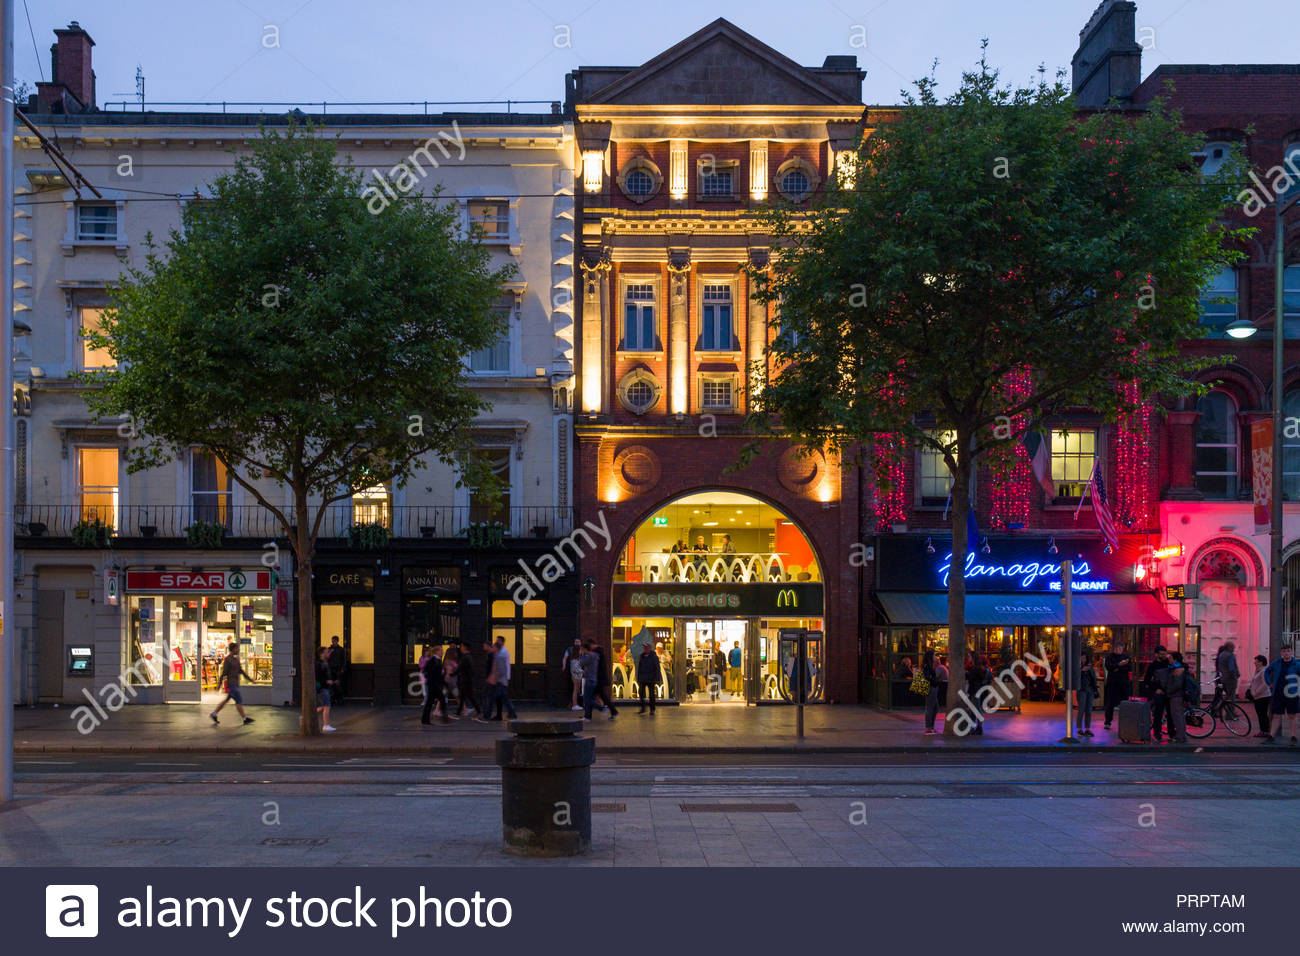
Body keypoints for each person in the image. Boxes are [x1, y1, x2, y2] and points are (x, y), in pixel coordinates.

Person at [1261, 644, 1300, 745]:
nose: (1286, 653)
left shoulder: (1297, 664)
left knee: (1292, 715)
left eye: (1288, 651)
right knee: (1276, 715)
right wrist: (1269, 683)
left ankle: (1293, 736)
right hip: (1278, 693)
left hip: (1292, 693)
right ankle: (1271, 736)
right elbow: (1267, 671)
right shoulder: (1277, 663)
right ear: (1281, 653)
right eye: (1284, 651)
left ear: (1291, 652)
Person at [210, 642, 255, 725]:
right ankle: (244, 718)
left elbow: (241, 671)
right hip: (232, 684)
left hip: (236, 684)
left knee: (227, 700)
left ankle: (214, 713)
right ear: (233, 649)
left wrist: (250, 679)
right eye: (237, 648)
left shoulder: (236, 659)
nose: (238, 650)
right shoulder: (228, 660)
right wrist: (219, 684)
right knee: (238, 701)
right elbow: (224, 673)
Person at [475, 635, 517, 723]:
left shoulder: (501, 655)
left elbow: (501, 670)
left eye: (494, 646)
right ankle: (508, 713)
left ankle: (488, 715)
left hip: (499, 681)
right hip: (500, 681)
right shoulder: (497, 655)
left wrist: (493, 679)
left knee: (493, 698)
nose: (492, 648)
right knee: (502, 698)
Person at [1142, 645, 1172, 740]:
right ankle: (1157, 733)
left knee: (1170, 714)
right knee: (1158, 714)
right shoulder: (1153, 666)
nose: (1164, 656)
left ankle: (1171, 733)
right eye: (1162, 654)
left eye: (1165, 654)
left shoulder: (1169, 663)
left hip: (1169, 691)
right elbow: (1147, 680)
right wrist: (1156, 689)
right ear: (1156, 655)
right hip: (1159, 692)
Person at [1101, 640, 1133, 730]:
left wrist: (1117, 668)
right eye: (1118, 648)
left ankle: (1125, 721)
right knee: (1110, 703)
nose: (1119, 650)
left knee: (1125, 703)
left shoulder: (1126, 657)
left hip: (1124, 683)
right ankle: (1107, 722)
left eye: (1121, 648)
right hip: (1113, 683)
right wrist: (1119, 665)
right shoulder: (1109, 657)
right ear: (1114, 648)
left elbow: (1129, 668)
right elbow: (1109, 667)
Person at [1160, 651, 1189, 743]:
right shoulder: (1177, 668)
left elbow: (1177, 684)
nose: (1169, 659)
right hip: (1177, 695)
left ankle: (1180, 737)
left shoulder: (1178, 669)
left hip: (1176, 696)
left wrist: (1168, 691)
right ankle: (1181, 736)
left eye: (1170, 658)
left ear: (1175, 659)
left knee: (1177, 716)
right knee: (1179, 716)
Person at [421, 646, 452, 725]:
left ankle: (425, 720)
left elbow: (439, 673)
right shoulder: (433, 660)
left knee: (430, 702)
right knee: (441, 700)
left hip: (436, 685)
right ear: (437, 651)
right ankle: (445, 719)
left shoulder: (438, 660)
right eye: (441, 651)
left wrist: (443, 681)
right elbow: (427, 671)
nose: (443, 652)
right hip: (434, 685)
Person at [1245, 654, 1271, 737]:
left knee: (1262, 714)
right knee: (1260, 715)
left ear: (1261, 662)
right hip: (1258, 697)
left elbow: (1265, 684)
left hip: (1263, 696)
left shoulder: (1263, 671)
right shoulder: (1258, 670)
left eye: (1256, 662)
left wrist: (1256, 692)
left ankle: (1265, 731)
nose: (1254, 663)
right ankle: (1263, 731)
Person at [592, 640, 619, 718]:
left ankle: (604, 709)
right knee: (601, 696)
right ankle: (611, 710)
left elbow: (599, 669)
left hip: (598, 679)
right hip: (600, 679)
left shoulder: (597, 656)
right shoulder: (600, 655)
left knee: (593, 696)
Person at [965, 653, 990, 735]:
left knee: (976, 710)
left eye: (969, 656)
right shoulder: (983, 670)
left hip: (975, 691)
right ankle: (976, 727)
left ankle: (978, 728)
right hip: (979, 691)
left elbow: (970, 678)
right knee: (975, 709)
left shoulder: (975, 669)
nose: (968, 658)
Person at [922, 649, 946, 735]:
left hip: (933, 688)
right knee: (930, 707)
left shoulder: (930, 666)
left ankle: (931, 727)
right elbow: (927, 677)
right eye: (934, 655)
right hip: (931, 688)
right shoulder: (927, 666)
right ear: (930, 657)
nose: (936, 657)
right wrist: (935, 681)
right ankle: (928, 728)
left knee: (935, 707)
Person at [1076, 646, 1098, 737]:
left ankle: (1087, 728)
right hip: (1082, 689)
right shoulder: (1077, 667)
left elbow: (1093, 678)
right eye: (1082, 658)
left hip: (1090, 689)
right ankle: (1079, 728)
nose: (1083, 659)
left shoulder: (1089, 666)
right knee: (1081, 709)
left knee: (1089, 710)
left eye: (1085, 658)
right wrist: (1081, 670)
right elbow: (1074, 677)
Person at [314, 646, 337, 732]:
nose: (328, 654)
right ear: (322, 654)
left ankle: (307, 716)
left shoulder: (325, 662)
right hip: (323, 687)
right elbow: (318, 677)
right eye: (326, 652)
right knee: (327, 706)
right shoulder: (319, 664)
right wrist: (327, 682)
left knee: (324, 706)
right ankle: (326, 725)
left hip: (324, 687)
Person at [637, 642, 661, 715]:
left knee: (651, 695)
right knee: (641, 693)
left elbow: (657, 668)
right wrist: (639, 677)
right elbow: (639, 668)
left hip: (651, 678)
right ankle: (643, 708)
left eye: (646, 647)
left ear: (649, 648)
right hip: (643, 678)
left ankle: (652, 709)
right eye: (644, 647)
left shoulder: (654, 657)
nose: (645, 648)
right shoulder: (642, 656)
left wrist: (657, 678)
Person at [454, 640, 477, 717]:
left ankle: (478, 710)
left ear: (464, 647)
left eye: (461, 646)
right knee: (463, 696)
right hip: (467, 679)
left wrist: (451, 674)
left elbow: (460, 668)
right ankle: (458, 712)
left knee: (469, 697)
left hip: (466, 680)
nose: (460, 648)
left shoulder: (465, 657)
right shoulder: (468, 656)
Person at [561, 638, 584, 711]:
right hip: (576, 672)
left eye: (578, 641)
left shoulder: (578, 651)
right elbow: (565, 658)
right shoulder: (571, 650)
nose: (577, 643)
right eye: (576, 641)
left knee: (577, 689)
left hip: (576, 671)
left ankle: (575, 703)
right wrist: (564, 666)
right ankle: (574, 704)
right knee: (575, 688)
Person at [327, 635, 347, 706]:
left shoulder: (341, 649)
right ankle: (333, 699)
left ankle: (340, 699)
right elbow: (327, 658)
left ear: (337, 641)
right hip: (331, 668)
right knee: (331, 684)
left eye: (334, 641)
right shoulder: (329, 649)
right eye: (332, 641)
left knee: (338, 684)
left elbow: (343, 660)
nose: (333, 642)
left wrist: (342, 668)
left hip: (338, 668)